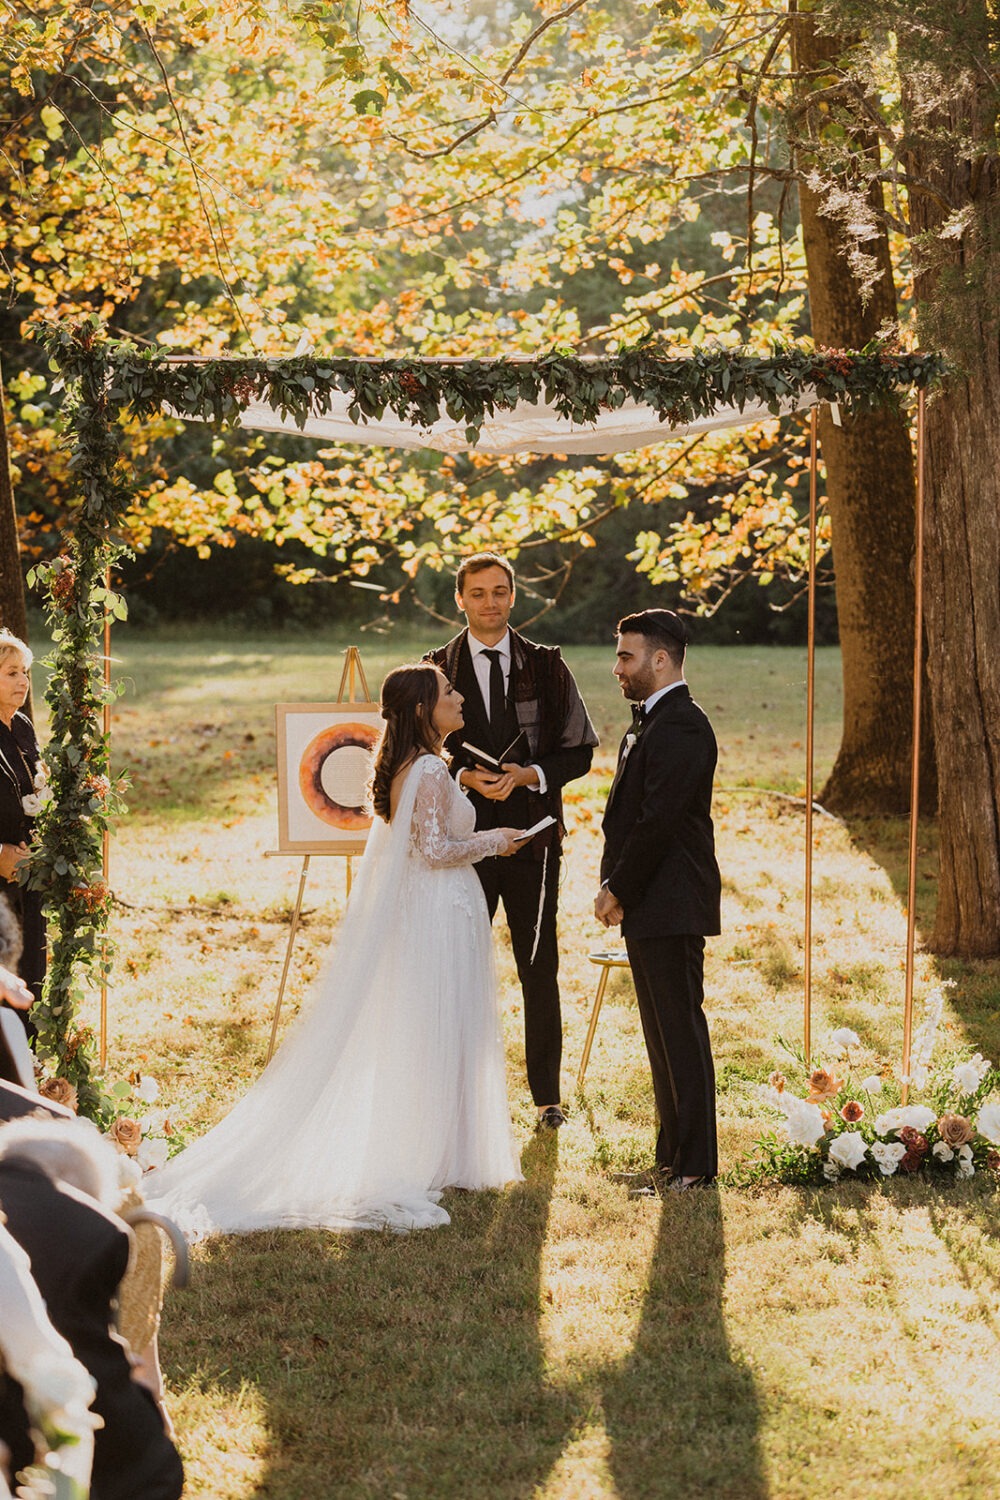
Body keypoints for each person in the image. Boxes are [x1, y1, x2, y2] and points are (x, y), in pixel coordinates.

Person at [148, 663, 525, 1237]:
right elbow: (433, 848)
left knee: (440, 1026)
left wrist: (464, 791)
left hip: (438, 910)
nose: (461, 697)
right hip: (438, 911)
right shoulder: (425, 768)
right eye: (450, 692)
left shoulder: (420, 765)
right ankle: (437, 1152)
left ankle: (445, 1150)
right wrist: (498, 841)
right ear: (424, 709)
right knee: (440, 1025)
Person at [427, 553, 598, 1130]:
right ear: (460, 599)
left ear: (513, 596)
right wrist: (463, 775)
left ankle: (547, 1098)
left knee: (536, 964)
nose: (491, 603)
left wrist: (527, 775)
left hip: (532, 839)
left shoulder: (548, 668)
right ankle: (454, 1098)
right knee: (456, 965)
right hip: (462, 842)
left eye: (500, 592)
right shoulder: (434, 670)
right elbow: (417, 750)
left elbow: (580, 748)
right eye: (478, 593)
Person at [594, 609, 721, 1194]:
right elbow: (626, 819)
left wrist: (617, 887)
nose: (617, 667)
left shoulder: (683, 726)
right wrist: (619, 887)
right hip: (649, 901)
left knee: (680, 1031)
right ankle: (671, 1158)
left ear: (660, 660)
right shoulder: (648, 721)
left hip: (671, 899)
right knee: (659, 1033)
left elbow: (658, 823)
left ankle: (696, 1166)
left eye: (626, 656)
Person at [0, 631, 46, 1022]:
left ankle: (26, 1070)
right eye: (12, 672)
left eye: (25, 672)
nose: (23, 682)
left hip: (30, 876)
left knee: (32, 976)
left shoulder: (24, 727)